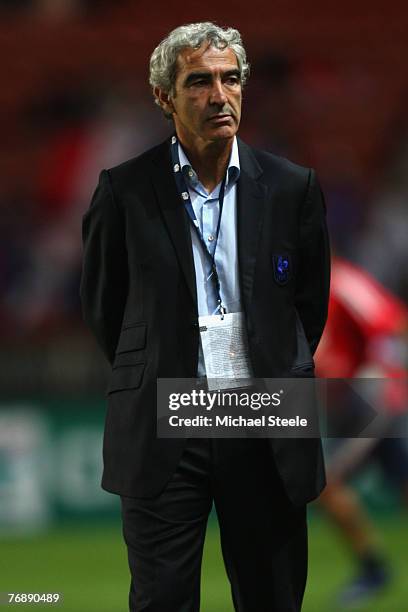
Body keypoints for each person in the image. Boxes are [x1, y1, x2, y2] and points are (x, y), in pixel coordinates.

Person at [80, 22, 330, 612]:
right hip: (168, 414)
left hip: (264, 415)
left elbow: (307, 311)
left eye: (230, 78)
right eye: (199, 81)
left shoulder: (293, 188)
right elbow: (105, 310)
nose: (220, 95)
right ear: (164, 98)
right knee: (162, 599)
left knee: (273, 598)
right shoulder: (123, 191)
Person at [315, 255, 408, 607]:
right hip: (344, 404)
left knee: (325, 480)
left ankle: (374, 569)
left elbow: (392, 322)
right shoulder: (294, 288)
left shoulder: (342, 280)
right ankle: (374, 570)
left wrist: (383, 371)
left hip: (372, 400)